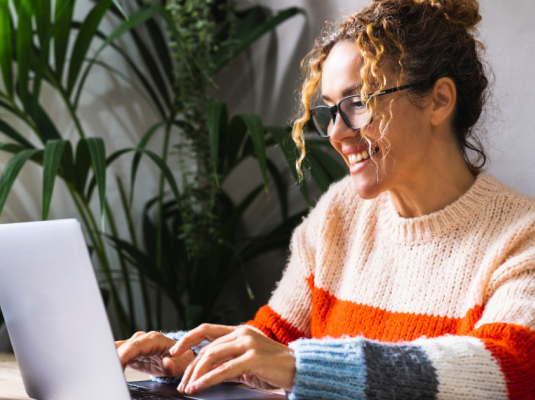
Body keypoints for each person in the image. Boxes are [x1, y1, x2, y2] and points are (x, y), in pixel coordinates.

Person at [116, 0, 535, 398]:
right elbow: (277, 342)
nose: (335, 133)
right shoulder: (340, 213)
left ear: (439, 100)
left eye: (357, 103)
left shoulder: (521, 238)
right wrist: (185, 353)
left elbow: (505, 370)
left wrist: (300, 366)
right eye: (331, 110)